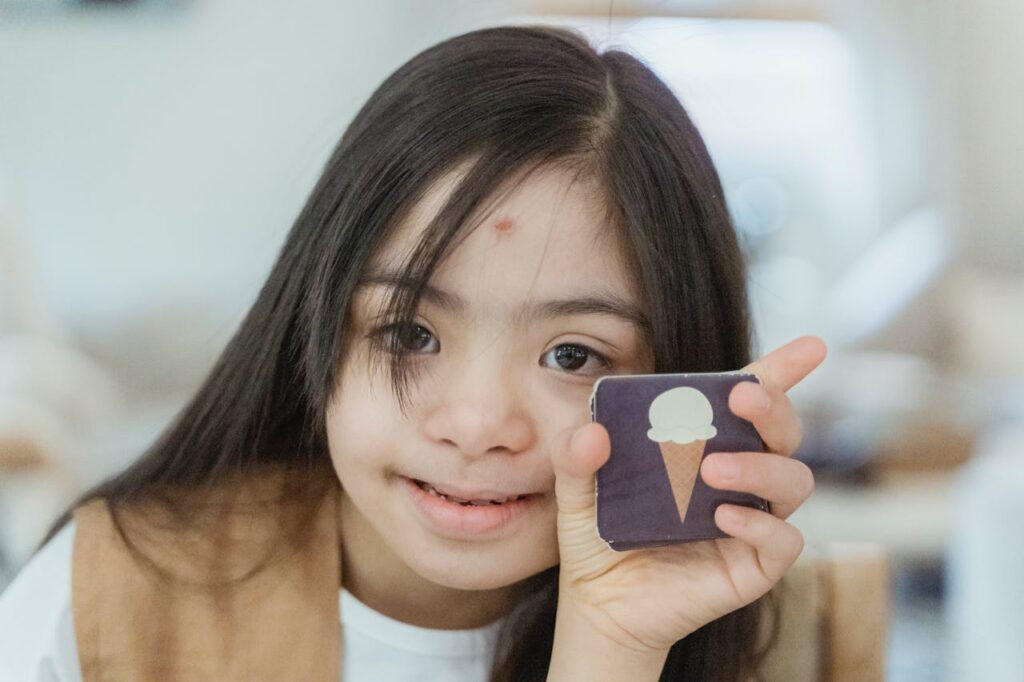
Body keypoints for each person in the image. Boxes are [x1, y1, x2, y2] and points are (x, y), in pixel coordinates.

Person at [0, 24, 824, 681]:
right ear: (312, 326)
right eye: (409, 334)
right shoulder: (98, 600)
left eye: (573, 356)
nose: (475, 426)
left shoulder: (758, 638)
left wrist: (611, 651)